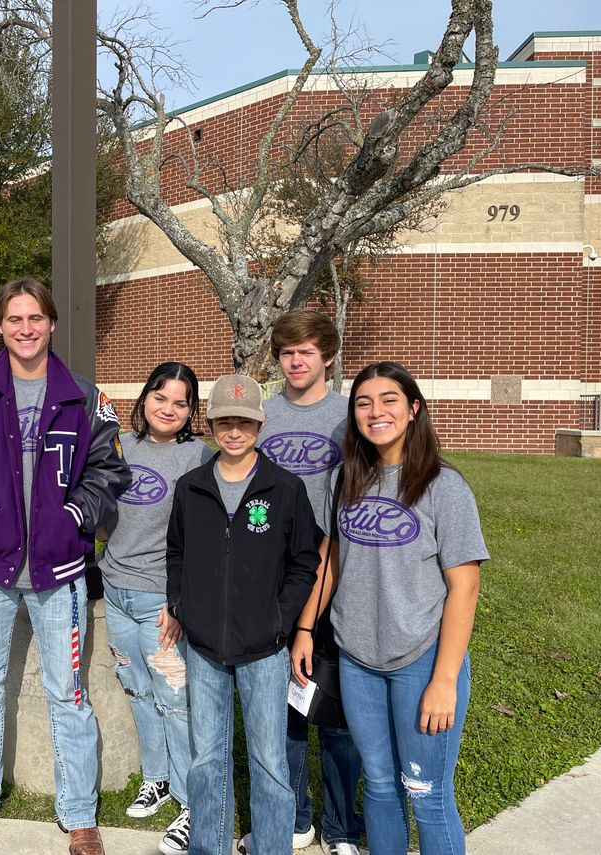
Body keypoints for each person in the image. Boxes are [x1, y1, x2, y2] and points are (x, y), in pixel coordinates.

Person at [0, 277, 130, 855]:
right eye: (14, 319)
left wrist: (75, 518)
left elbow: (111, 471)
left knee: (69, 694)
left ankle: (79, 814)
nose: (25, 329)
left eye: (35, 318)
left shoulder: (85, 397)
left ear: (52, 323)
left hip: (58, 572)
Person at [291, 362, 487, 855]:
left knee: (428, 794)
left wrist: (444, 680)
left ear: (414, 408)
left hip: (420, 661)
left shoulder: (444, 486)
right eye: (364, 402)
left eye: (389, 400)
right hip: (357, 660)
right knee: (378, 787)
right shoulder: (345, 477)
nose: (376, 412)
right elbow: (330, 560)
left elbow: (464, 587)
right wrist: (305, 629)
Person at [166, 374, 319, 855]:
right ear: (209, 423)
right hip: (205, 647)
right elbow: (176, 552)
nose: (234, 432)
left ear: (260, 424)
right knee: (207, 759)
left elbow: (304, 561)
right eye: (224, 422)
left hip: (264, 648)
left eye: (245, 423)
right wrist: (180, 605)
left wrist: (281, 617)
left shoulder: (285, 489)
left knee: (270, 762)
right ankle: (208, 848)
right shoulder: (191, 488)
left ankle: (273, 847)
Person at [243, 310, 364, 855]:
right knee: (287, 711)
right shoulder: (262, 416)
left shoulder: (349, 417)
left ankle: (342, 828)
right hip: (281, 581)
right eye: (287, 352)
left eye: (307, 352)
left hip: (343, 578)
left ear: (329, 356)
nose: (295, 361)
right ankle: (295, 819)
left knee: (336, 715)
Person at [97, 362, 213, 855]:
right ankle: (157, 779)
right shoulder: (121, 445)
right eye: (159, 397)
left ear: (191, 412)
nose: (167, 408)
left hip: (160, 600)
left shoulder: (198, 456)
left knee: (173, 698)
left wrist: (179, 600)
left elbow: (206, 538)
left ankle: (191, 804)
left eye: (180, 402)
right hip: (115, 589)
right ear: (144, 398)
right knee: (139, 692)